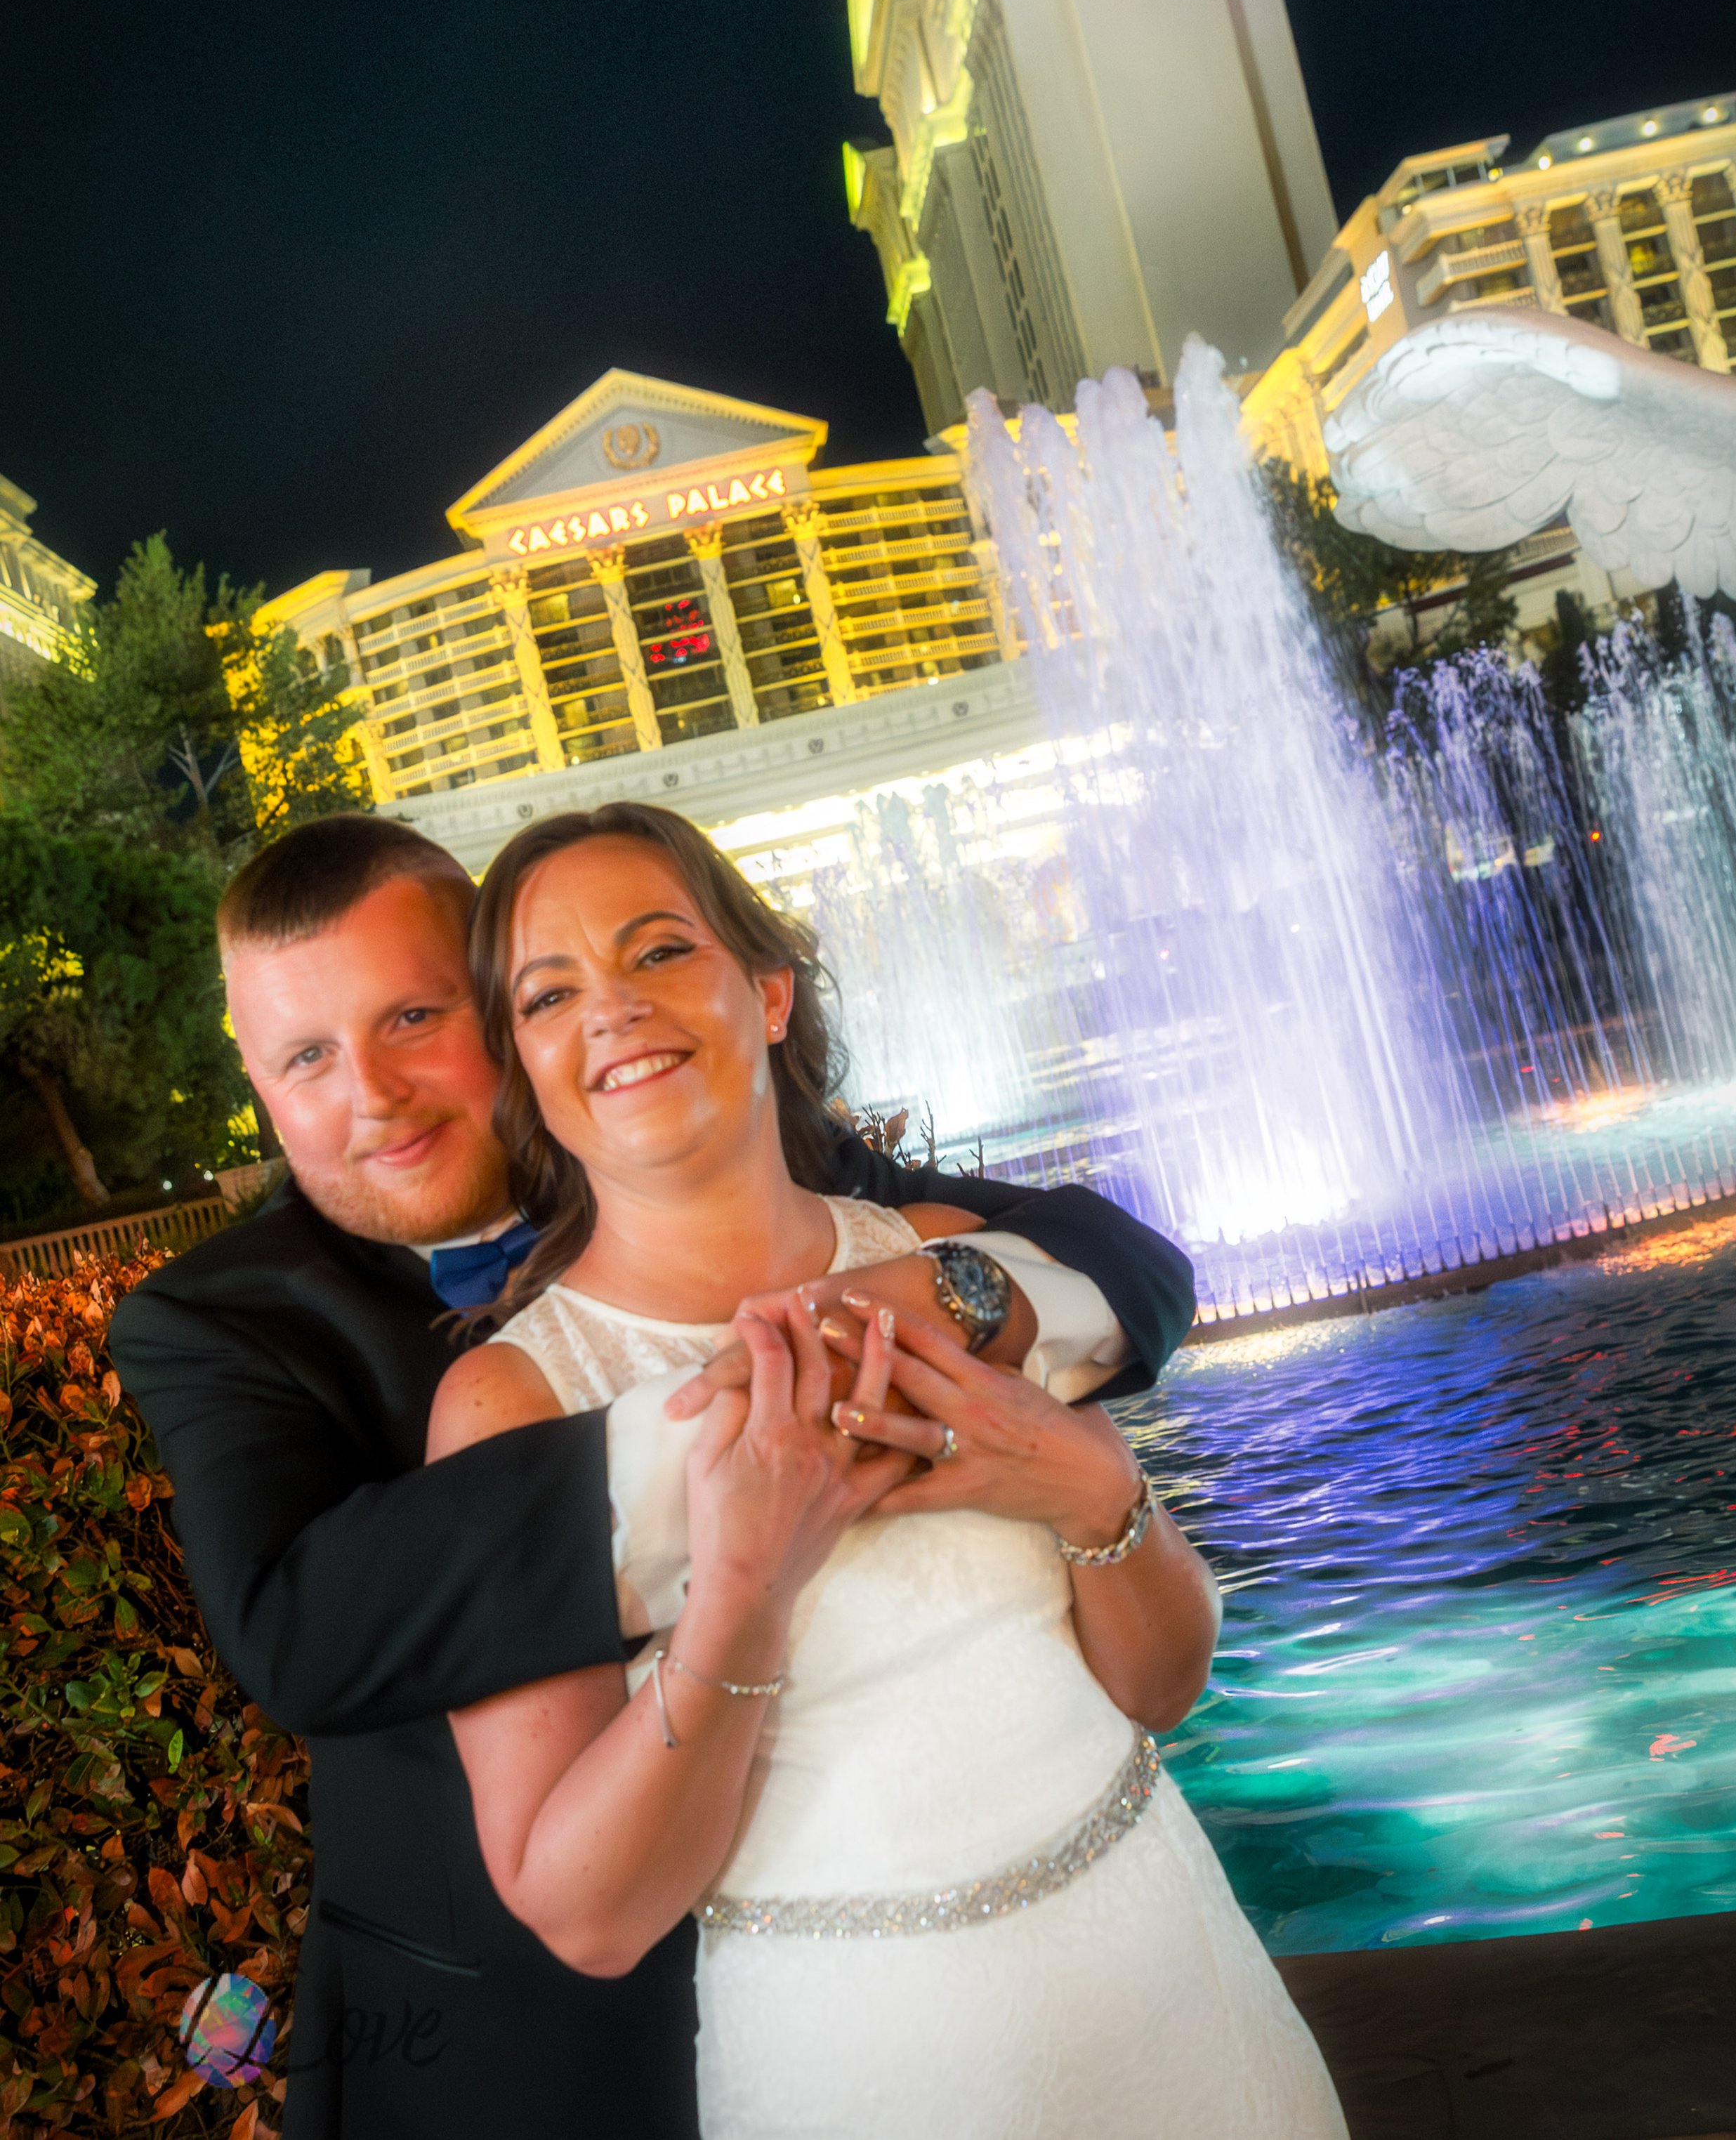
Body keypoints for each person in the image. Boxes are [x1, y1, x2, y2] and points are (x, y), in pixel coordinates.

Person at [110, 812, 1201, 2139]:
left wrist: (941, 1300)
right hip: (516, 2056)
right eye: (305, 1056)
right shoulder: (219, 1320)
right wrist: (773, 1410)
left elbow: (1119, 1263)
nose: (371, 1095)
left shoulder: (767, 1165)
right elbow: (297, 1628)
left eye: (412, 1018)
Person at [433, 803, 1346, 2140]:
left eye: (660, 952)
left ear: (769, 989)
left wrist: (1097, 1496)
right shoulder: (514, 1398)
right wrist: (744, 1588)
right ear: (524, 1059)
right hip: (862, 2065)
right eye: (550, 990)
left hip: (1183, 1995)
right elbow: (591, 1913)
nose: (614, 1009)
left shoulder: (955, 1264)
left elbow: (1165, 1684)